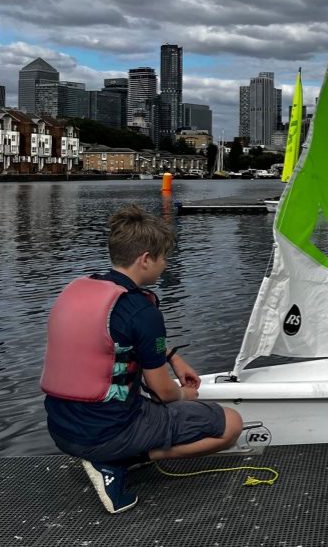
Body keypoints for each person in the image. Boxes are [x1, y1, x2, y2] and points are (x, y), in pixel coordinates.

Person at [40, 205, 243, 514]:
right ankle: (119, 461)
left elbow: (113, 340)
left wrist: (172, 356)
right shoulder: (142, 310)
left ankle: (111, 455)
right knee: (230, 425)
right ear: (145, 259)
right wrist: (186, 395)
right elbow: (163, 392)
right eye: (163, 259)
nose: (165, 266)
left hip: (62, 429)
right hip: (109, 432)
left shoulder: (79, 290)